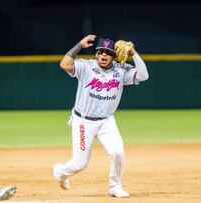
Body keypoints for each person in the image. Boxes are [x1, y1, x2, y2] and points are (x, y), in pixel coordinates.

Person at [53, 35, 149, 198]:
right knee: (79, 164)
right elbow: (64, 64)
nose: (103, 55)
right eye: (100, 52)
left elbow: (143, 76)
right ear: (96, 54)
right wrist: (79, 45)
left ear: (114, 56)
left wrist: (134, 53)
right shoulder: (85, 66)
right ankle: (61, 173)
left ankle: (115, 187)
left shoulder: (120, 70)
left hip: (106, 121)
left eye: (108, 53)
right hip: (83, 121)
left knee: (118, 152)